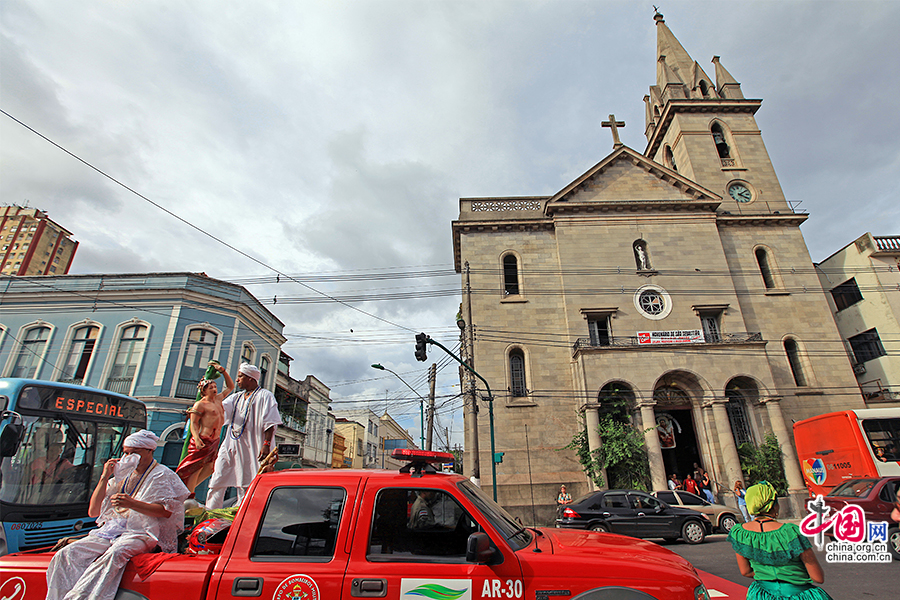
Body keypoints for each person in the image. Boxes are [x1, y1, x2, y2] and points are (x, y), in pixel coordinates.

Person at [45, 430, 190, 600]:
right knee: (67, 553)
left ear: (150, 451)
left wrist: (132, 504)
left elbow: (165, 512)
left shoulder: (162, 474)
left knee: (115, 553)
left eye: (134, 452)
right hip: (113, 530)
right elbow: (94, 511)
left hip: (143, 533)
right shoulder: (123, 474)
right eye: (126, 452)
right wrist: (105, 476)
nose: (128, 456)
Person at [727, 481, 833, 600]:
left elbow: (745, 571)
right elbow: (818, 577)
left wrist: (767, 575)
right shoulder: (790, 532)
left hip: (762, 594)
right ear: (774, 505)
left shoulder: (740, 533)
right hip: (797, 594)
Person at [206, 363, 282, 509]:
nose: (237, 380)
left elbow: (271, 422)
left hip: (254, 446)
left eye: (240, 376)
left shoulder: (265, 396)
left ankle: (242, 513)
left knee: (245, 483)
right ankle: (210, 512)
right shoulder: (236, 398)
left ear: (251, 378)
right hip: (231, 444)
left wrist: (266, 444)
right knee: (218, 478)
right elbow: (220, 411)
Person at [175, 363, 233, 493]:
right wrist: (196, 438)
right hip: (203, 438)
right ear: (204, 390)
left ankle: (188, 490)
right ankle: (189, 495)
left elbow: (230, 387)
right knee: (195, 468)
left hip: (214, 440)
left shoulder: (218, 399)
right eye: (210, 387)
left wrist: (223, 371)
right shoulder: (200, 405)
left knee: (210, 467)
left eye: (215, 386)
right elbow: (194, 423)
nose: (214, 389)